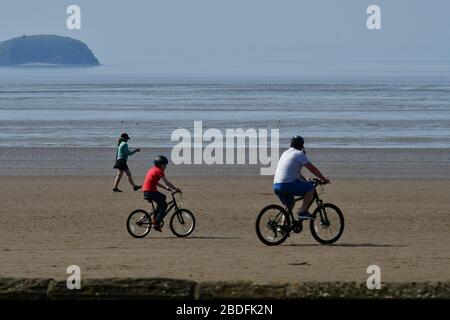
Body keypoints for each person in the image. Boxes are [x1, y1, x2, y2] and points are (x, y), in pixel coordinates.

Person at [273, 135, 330, 220]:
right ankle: (303, 212)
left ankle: (282, 228)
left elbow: (291, 171)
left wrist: (304, 179)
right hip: (287, 185)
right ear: (302, 145)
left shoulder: (285, 153)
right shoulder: (299, 153)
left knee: (290, 205)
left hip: (276, 185)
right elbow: (312, 169)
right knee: (311, 188)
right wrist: (323, 179)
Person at [142, 155, 181, 232]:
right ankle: (156, 222)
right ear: (159, 164)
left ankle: (154, 218)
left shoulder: (152, 169)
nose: (165, 166)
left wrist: (166, 188)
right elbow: (167, 182)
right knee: (164, 205)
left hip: (147, 191)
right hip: (151, 192)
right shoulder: (159, 171)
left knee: (163, 197)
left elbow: (155, 182)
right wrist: (175, 189)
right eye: (164, 164)